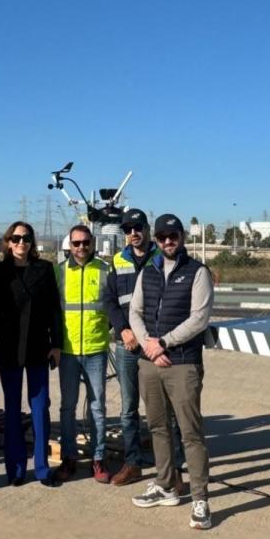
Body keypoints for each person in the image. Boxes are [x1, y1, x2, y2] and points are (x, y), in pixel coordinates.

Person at [129, 214, 215, 530]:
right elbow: (134, 313)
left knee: (191, 432)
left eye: (173, 236)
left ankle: (200, 499)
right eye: (163, 236)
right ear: (157, 238)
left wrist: (163, 343)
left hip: (183, 363)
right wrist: (149, 346)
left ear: (181, 238)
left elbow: (199, 319)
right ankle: (165, 486)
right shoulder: (148, 272)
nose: (168, 242)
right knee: (157, 427)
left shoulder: (197, 273)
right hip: (150, 362)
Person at [0, 221, 62, 487]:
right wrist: (1, 334)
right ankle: (16, 469)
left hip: (39, 346)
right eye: (17, 238)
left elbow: (54, 308)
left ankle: (42, 469)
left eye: (27, 238)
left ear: (32, 243)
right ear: (8, 242)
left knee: (40, 407)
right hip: (9, 349)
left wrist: (56, 344)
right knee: (12, 409)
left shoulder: (44, 269)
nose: (22, 243)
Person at [54, 225, 112, 484]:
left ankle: (98, 458)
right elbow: (53, 309)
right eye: (76, 243)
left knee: (97, 407)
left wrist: (104, 330)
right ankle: (69, 457)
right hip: (67, 351)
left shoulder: (104, 270)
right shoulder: (60, 271)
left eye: (85, 242)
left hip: (96, 349)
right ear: (69, 245)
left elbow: (111, 306)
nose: (80, 247)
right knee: (68, 407)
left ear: (92, 243)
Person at [104, 208, 157, 487]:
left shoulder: (161, 258)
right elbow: (110, 300)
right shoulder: (118, 260)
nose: (133, 233)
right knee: (128, 408)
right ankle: (133, 463)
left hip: (152, 344)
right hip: (126, 345)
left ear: (146, 229)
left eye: (137, 228)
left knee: (160, 407)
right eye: (127, 230)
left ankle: (172, 462)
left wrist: (151, 338)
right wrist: (123, 330)